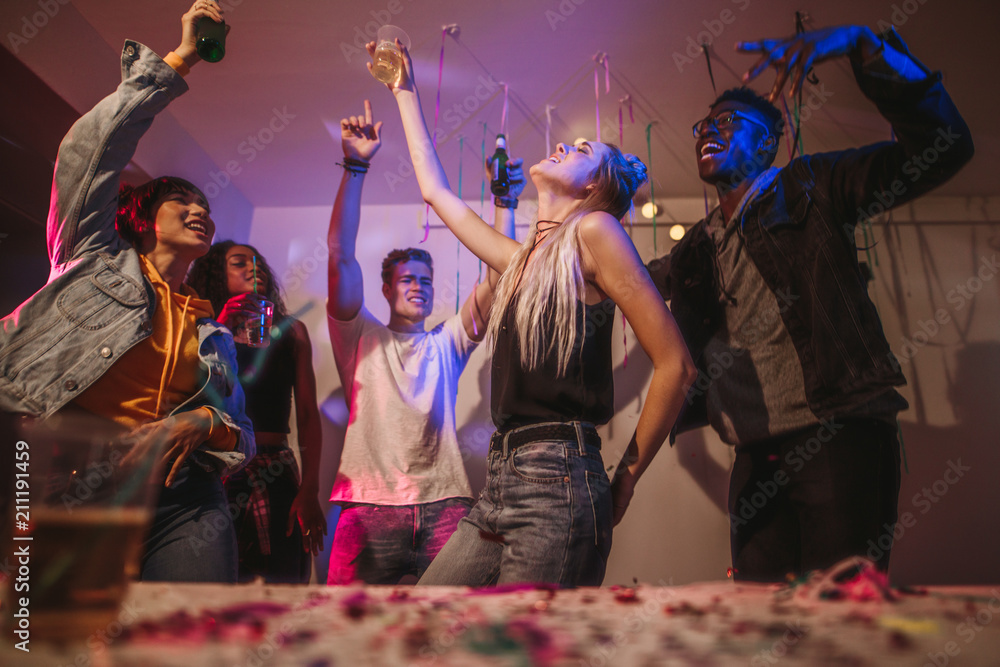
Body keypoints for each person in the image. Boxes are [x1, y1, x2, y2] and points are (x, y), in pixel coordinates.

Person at [646, 25, 974, 582]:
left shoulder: (812, 187)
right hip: (753, 459)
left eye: (729, 122)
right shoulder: (695, 249)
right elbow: (612, 280)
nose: (709, 130)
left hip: (839, 437)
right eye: (705, 124)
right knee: (764, 633)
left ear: (767, 143)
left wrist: (863, 46)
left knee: (843, 625)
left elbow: (944, 143)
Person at [375, 42, 696, 586]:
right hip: (502, 477)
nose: (565, 144)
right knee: (427, 623)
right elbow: (436, 192)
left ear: (594, 187)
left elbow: (676, 365)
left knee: (528, 646)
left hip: (558, 475)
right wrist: (403, 90)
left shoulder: (596, 232)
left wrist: (628, 478)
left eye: (581, 148)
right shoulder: (521, 261)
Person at [0, 1, 254, 583]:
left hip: (184, 498)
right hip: (68, 479)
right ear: (141, 218)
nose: (200, 212)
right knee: (48, 639)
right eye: (183, 202)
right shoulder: (91, 258)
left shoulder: (208, 326)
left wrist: (201, 425)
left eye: (207, 208)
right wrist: (180, 59)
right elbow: (87, 153)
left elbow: (240, 432)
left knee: (188, 642)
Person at [325, 99, 521, 585]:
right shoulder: (361, 337)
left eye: (426, 280)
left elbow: (502, 274)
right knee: (343, 638)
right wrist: (355, 166)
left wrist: (505, 204)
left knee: (451, 639)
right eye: (407, 278)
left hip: (446, 506)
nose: (418, 285)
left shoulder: (446, 344)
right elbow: (339, 256)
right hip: (366, 507)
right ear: (387, 288)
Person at [187, 242, 326, 583]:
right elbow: (190, 395)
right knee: (214, 578)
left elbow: (308, 414)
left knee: (283, 579)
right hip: (213, 465)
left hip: (275, 467)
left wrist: (309, 489)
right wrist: (220, 325)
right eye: (239, 263)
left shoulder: (291, 330)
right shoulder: (198, 326)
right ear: (216, 273)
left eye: (259, 263)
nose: (254, 268)